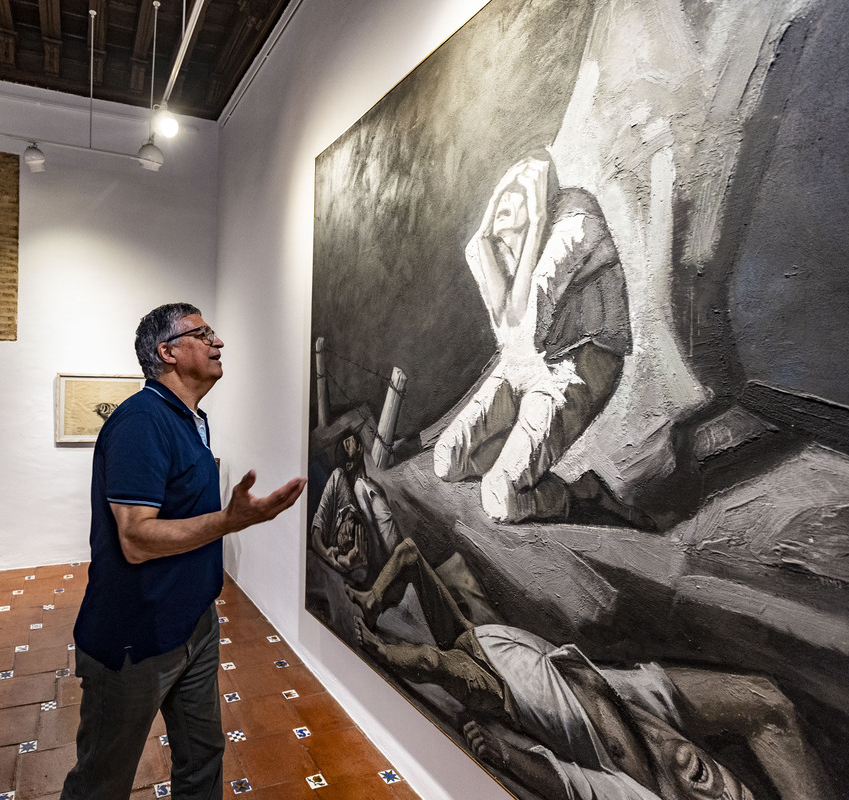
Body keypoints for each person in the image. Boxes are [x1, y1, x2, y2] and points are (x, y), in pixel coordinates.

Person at [347, 538, 836, 800]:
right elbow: (769, 704)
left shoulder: (633, 789)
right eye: (741, 797)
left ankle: (372, 644)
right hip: (531, 655)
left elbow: (566, 783)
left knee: (433, 661)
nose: (727, 791)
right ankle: (374, 607)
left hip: (505, 687)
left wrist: (502, 754)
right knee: (765, 702)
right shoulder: (652, 710)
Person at [61, 303, 306, 800]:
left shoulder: (192, 417)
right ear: (166, 352)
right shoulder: (141, 423)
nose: (218, 342)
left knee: (202, 756)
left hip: (193, 622)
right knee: (103, 780)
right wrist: (230, 521)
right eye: (204, 333)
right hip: (134, 636)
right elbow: (135, 539)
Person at [433, 150, 633, 523]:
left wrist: (538, 222)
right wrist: (482, 238)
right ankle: (528, 468)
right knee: (447, 460)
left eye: (519, 192)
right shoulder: (502, 244)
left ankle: (580, 493)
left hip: (578, 363)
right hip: (521, 364)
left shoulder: (576, 225)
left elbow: (529, 331)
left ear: (543, 197)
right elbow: (508, 338)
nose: (504, 203)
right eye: (501, 193)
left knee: (499, 500)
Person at [309, 430, 399, 585]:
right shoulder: (341, 479)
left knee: (363, 486)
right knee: (359, 485)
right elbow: (316, 531)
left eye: (351, 441)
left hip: (366, 543)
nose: (350, 441)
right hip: (359, 551)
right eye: (347, 444)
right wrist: (333, 557)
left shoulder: (358, 487)